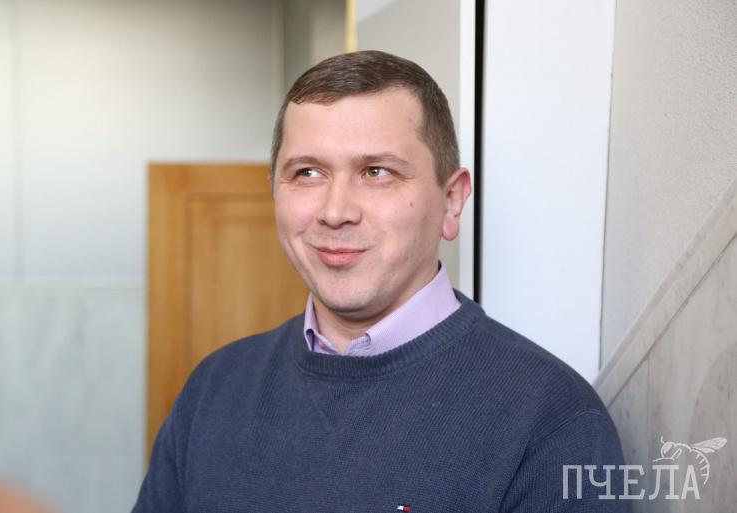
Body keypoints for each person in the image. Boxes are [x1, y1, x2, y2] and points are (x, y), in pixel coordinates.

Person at [133, 50, 629, 512]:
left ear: (451, 201)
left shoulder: (552, 422)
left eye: (376, 171)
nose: (336, 211)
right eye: (307, 173)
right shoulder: (214, 390)